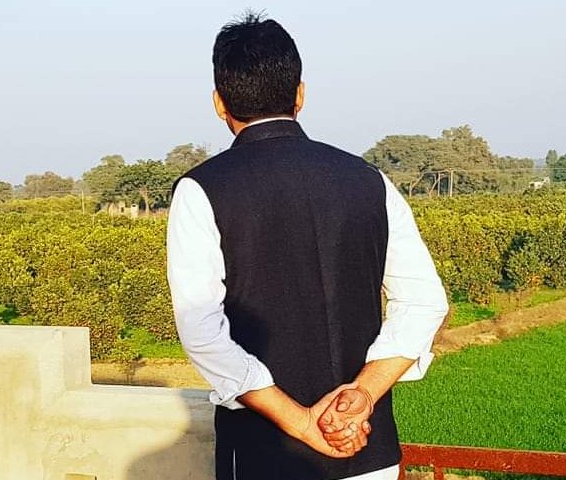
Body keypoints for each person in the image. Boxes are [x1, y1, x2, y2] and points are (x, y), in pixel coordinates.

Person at [166, 12, 449, 480]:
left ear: (219, 102)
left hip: (263, 455)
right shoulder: (369, 180)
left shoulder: (201, 190)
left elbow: (202, 330)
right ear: (300, 94)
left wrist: (301, 422)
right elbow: (424, 302)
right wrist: (362, 395)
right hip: (369, 450)